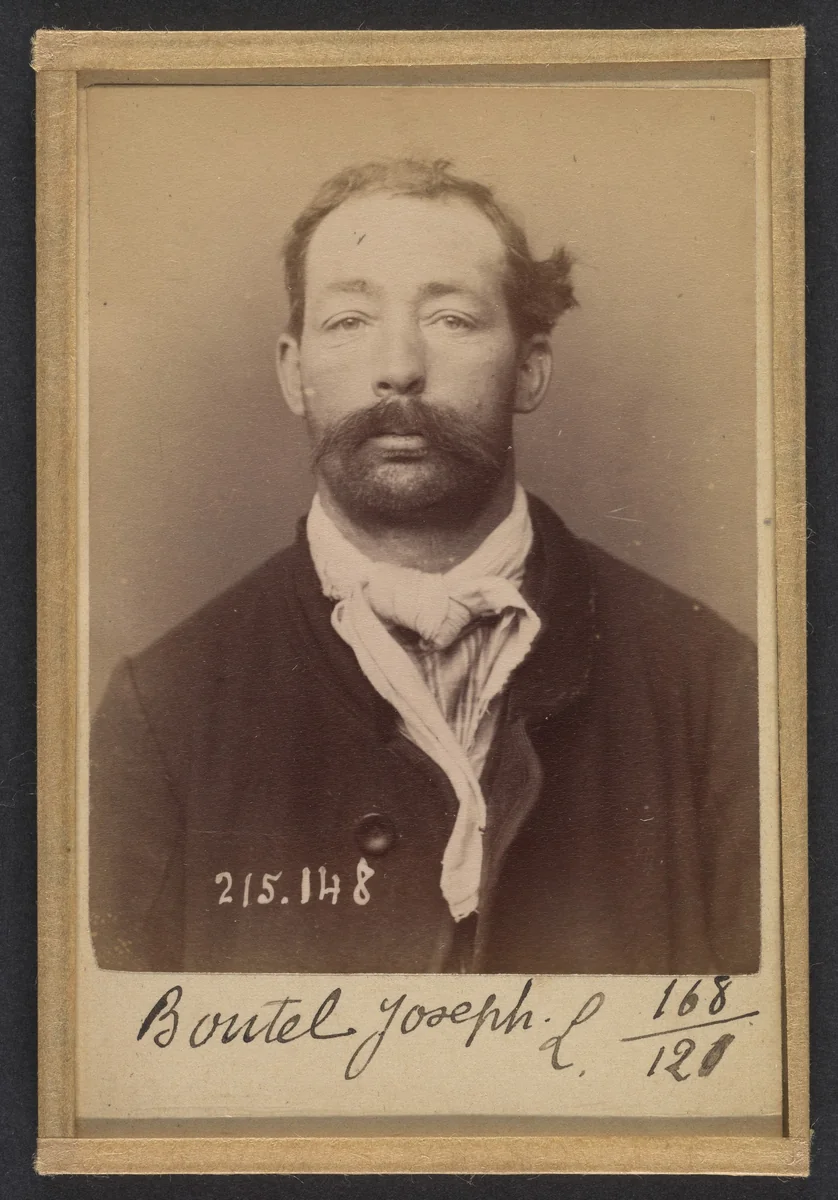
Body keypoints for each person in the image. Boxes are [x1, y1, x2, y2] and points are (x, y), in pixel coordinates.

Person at [89, 158, 759, 975]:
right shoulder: (161, 709)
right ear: (294, 372)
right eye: (350, 320)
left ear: (530, 369)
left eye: (451, 319)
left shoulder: (716, 688)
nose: (400, 365)